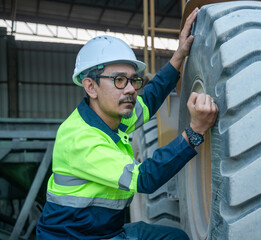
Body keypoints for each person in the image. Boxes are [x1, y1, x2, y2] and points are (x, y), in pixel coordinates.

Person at [36, 8, 218, 240]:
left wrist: (179, 55)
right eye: (119, 80)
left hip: (104, 231)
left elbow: (149, 99)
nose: (131, 89)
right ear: (91, 87)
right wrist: (195, 131)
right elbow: (145, 178)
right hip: (76, 238)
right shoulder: (80, 139)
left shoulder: (113, 117)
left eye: (133, 80)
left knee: (176, 238)